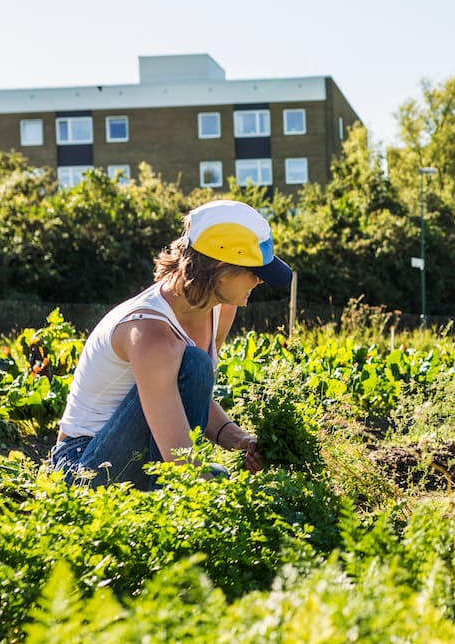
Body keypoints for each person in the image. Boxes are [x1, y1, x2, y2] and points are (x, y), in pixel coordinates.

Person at [50, 199, 293, 489]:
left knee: (196, 373)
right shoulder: (150, 334)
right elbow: (180, 460)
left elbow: (185, 394)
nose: (259, 281)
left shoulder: (220, 308)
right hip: (84, 466)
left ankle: (157, 495)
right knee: (195, 367)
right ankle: (157, 498)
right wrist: (225, 494)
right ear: (219, 267)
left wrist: (239, 439)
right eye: (255, 272)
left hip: (134, 453)